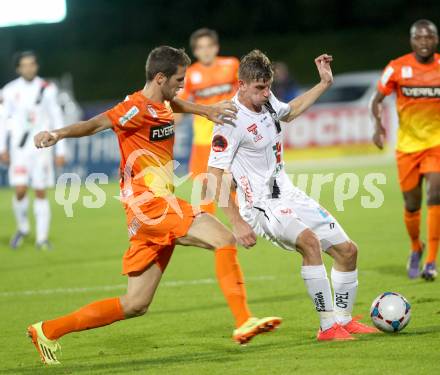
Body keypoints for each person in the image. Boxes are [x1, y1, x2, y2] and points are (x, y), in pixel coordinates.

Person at [27, 46, 281, 365]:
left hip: (150, 211)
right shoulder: (134, 107)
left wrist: (205, 111)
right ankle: (244, 320)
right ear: (159, 78)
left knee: (136, 303)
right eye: (178, 79)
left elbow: (175, 102)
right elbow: (96, 123)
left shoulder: (162, 102)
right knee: (224, 238)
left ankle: (47, 330)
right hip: (151, 205)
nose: (182, 85)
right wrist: (57, 133)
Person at [207, 50, 379, 341]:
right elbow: (212, 177)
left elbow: (292, 110)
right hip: (260, 204)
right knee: (309, 243)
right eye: (259, 88)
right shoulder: (230, 121)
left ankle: (344, 320)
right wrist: (236, 222)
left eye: (268, 86)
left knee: (348, 251)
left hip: (288, 192)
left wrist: (324, 83)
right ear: (242, 85)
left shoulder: (269, 102)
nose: (265, 93)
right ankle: (328, 328)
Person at [370, 19, 440, 281]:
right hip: (407, 147)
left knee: (436, 193)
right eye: (419, 38)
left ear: (436, 39)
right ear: (412, 41)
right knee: (412, 204)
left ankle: (431, 261)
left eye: (429, 37)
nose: (424, 42)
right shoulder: (397, 68)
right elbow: (376, 100)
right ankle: (416, 246)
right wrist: (377, 127)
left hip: (436, 144)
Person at [0, 51, 66, 250]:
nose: (29, 68)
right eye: (24, 65)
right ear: (18, 68)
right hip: (19, 150)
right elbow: (2, 120)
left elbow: (56, 117)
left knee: (40, 191)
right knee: (20, 190)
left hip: (42, 150)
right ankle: (23, 228)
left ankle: (42, 238)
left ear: (36, 66)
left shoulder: (47, 88)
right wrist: (2, 147)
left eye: (32, 64)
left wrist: (60, 148)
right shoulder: (9, 91)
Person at [178, 28, 239, 213]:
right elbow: (178, 106)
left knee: (231, 183)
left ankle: (244, 221)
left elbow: (247, 93)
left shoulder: (232, 65)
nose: (205, 51)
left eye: (209, 46)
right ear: (195, 51)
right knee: (203, 186)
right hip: (204, 139)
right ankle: (210, 228)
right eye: (200, 47)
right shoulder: (189, 74)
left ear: (216, 47)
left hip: (230, 135)